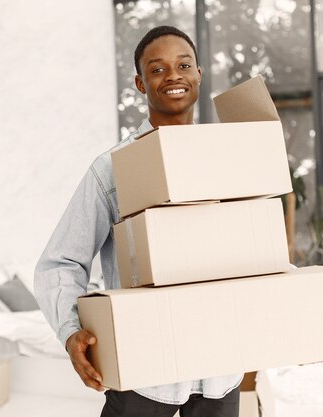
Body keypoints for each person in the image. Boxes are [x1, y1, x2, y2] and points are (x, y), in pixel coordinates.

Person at [34, 26, 242, 417]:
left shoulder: (227, 159)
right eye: (158, 69)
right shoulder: (112, 169)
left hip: (220, 369)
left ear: (198, 74)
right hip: (147, 370)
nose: (174, 76)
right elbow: (59, 262)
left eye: (183, 65)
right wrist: (69, 331)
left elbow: (252, 248)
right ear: (140, 84)